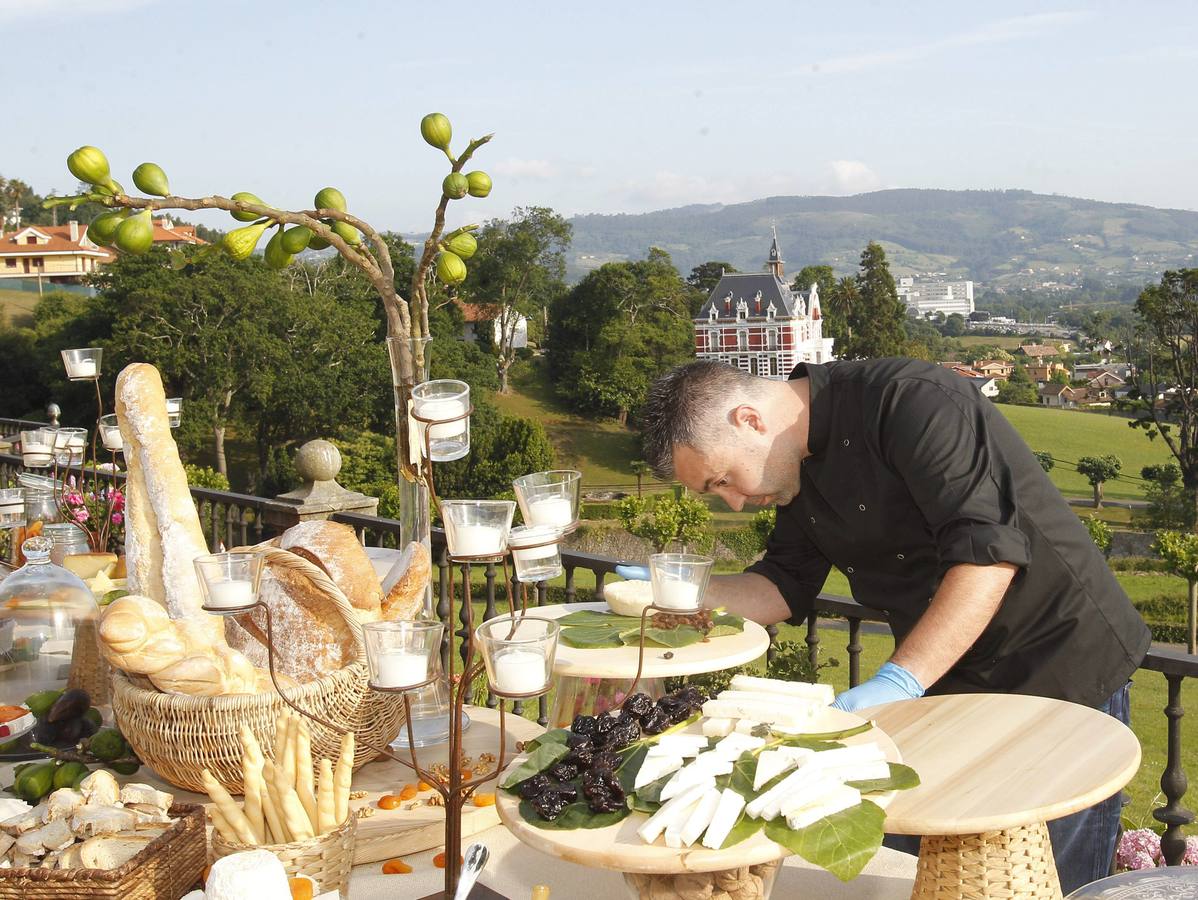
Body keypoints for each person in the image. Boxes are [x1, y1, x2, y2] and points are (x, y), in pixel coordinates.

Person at [620, 358, 1150, 893]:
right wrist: (682, 596)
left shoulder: (912, 401)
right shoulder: (794, 472)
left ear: (749, 420)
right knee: (917, 876)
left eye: (723, 480)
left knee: (1048, 880)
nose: (734, 501)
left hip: (1060, 669)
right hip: (946, 685)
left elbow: (986, 557)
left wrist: (899, 681)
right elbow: (782, 584)